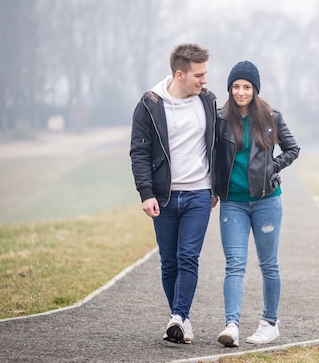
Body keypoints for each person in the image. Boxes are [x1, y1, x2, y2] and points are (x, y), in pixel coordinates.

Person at [129, 43, 217, 344]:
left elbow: (218, 143)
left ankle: (177, 317)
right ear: (180, 74)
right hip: (164, 197)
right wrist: (146, 193)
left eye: (205, 73)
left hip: (198, 194)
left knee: (188, 256)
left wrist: (216, 187)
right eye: (199, 75)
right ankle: (182, 320)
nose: (204, 80)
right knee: (169, 261)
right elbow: (139, 153)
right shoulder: (149, 104)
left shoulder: (207, 101)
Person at [213, 60, 300, 347]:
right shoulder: (221, 118)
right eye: (236, 86)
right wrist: (214, 188)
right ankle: (232, 325)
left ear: (255, 89)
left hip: (266, 202)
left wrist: (272, 168)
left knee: (268, 264)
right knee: (234, 265)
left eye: (246, 87)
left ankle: (270, 323)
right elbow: (212, 156)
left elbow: (292, 148)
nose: (240, 92)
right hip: (233, 204)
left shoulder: (271, 117)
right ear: (230, 89)